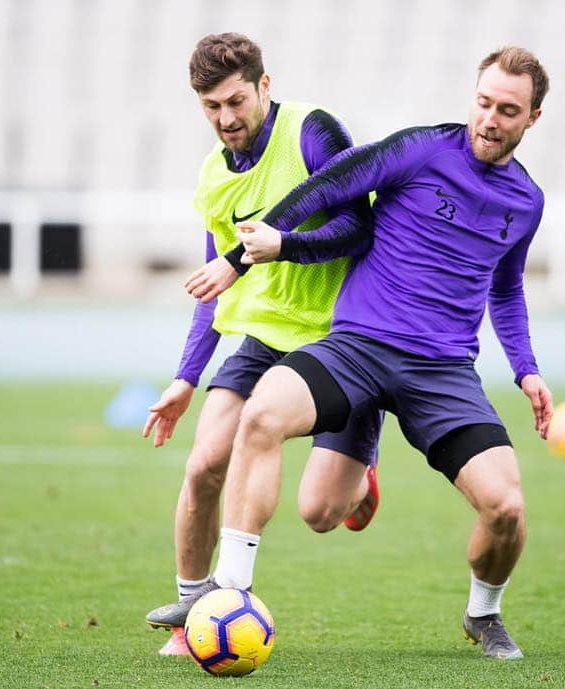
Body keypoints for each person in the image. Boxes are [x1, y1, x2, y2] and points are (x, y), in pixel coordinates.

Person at [191, 46, 554, 660]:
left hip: (441, 372)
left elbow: (506, 288)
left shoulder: (527, 203)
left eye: (508, 110)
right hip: (356, 349)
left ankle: (483, 614)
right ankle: (230, 591)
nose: (490, 119)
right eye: (484, 102)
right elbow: (326, 186)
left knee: (507, 507)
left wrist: (527, 368)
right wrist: (241, 255)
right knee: (274, 433)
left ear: (532, 119)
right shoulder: (418, 148)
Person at [142, 33, 381, 656]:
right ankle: (196, 610)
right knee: (202, 466)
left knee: (324, 512)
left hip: (340, 341)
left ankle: (361, 481)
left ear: (264, 87)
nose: (226, 119)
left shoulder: (313, 132)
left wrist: (271, 249)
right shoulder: (212, 177)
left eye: (236, 101)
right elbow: (212, 284)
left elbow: (359, 228)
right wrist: (184, 379)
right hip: (261, 338)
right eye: (211, 107)